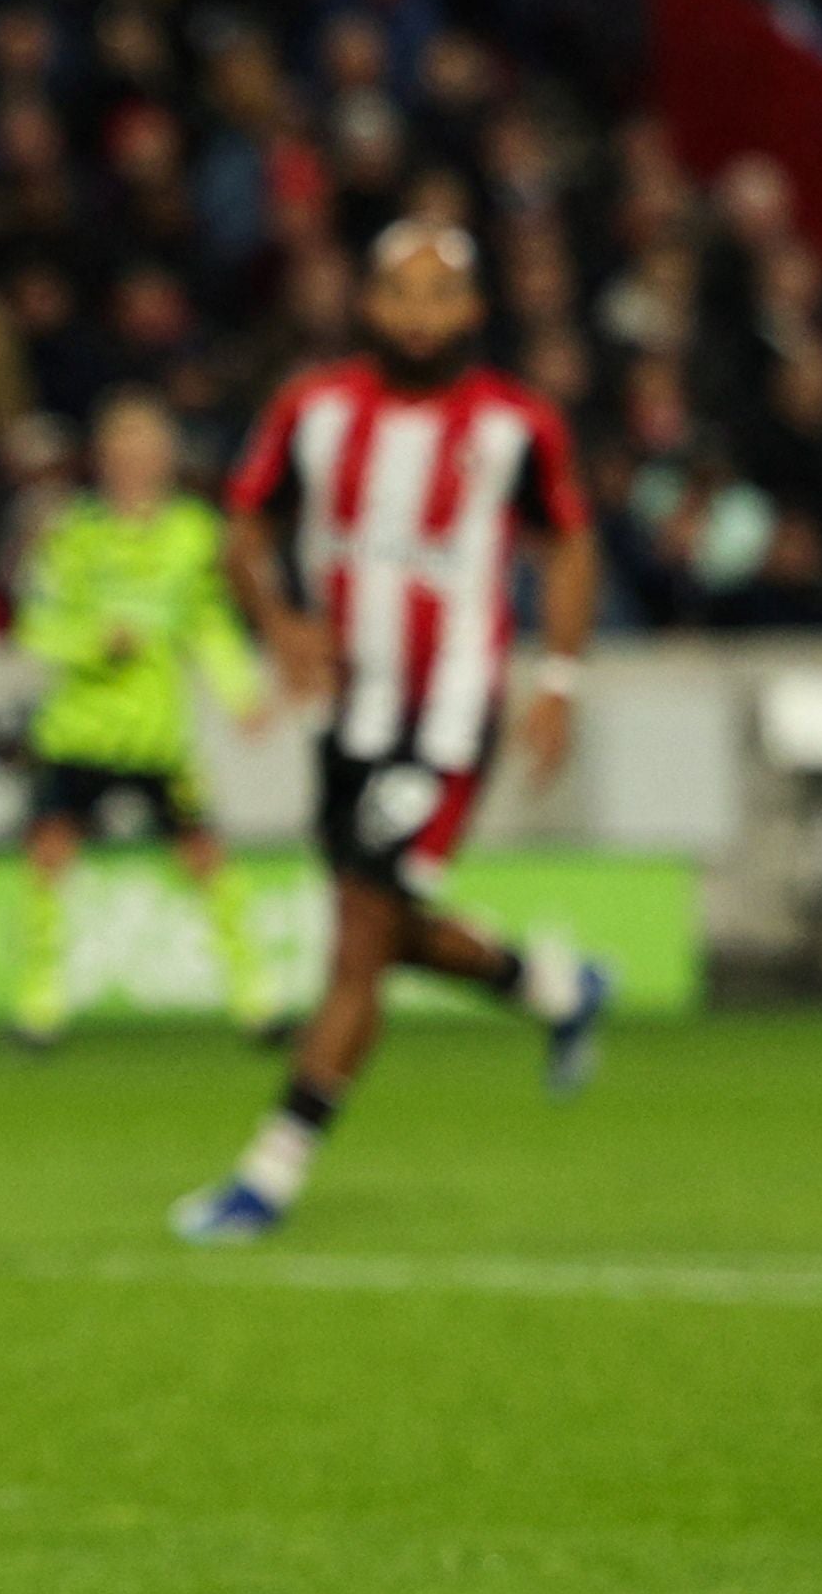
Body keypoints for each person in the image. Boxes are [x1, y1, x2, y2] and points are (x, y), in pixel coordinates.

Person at [173, 222, 611, 1244]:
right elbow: (244, 529)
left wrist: (561, 675)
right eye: (400, 293)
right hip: (348, 716)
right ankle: (553, 985)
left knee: (359, 940)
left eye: (440, 293)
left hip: (448, 718)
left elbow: (571, 544)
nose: (419, 313)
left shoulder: (515, 424)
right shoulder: (314, 409)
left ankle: (267, 1176)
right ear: (369, 306)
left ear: (472, 311)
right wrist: (277, 620)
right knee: (384, 925)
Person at [9, 389, 272, 1046]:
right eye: (120, 448)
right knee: (48, 858)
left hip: (157, 734)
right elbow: (35, 629)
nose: (132, 461)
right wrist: (97, 641)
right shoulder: (72, 536)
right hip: (80, 729)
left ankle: (256, 1003)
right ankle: (40, 1008)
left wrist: (240, 691)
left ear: (165, 458)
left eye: (145, 448)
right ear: (102, 459)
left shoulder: (193, 535)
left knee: (207, 857)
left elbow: (209, 622)